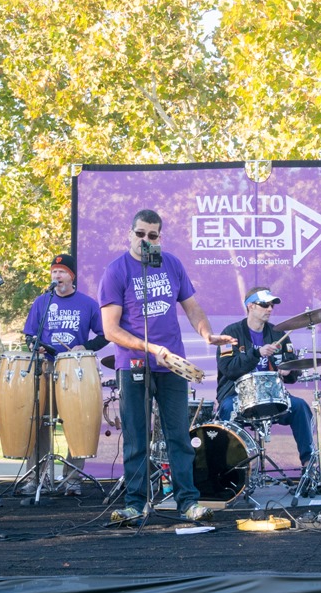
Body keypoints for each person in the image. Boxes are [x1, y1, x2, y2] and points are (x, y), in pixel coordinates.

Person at [98, 209, 236, 523]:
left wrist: (207, 334)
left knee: (178, 436)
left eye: (153, 235)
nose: (146, 241)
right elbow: (111, 329)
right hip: (134, 364)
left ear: (160, 237)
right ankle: (136, 504)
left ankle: (187, 502)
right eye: (140, 234)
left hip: (172, 364)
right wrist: (150, 348)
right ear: (129, 233)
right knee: (136, 437)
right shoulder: (116, 271)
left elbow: (192, 306)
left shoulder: (171, 263)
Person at [20, 252, 109, 495]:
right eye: (53, 272)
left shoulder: (88, 303)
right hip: (46, 367)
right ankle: (37, 478)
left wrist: (86, 346)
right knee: (41, 423)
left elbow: (105, 334)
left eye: (61, 272)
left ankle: (72, 480)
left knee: (76, 423)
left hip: (75, 368)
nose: (56, 276)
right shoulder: (42, 302)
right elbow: (30, 335)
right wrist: (33, 345)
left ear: (71, 276)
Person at [216, 287, 314, 469]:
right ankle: (228, 469)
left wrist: (288, 371)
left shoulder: (279, 333)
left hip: (273, 396)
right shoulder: (230, 333)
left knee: (300, 406)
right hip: (238, 397)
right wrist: (256, 353)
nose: (269, 309)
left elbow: (293, 368)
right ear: (250, 306)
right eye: (264, 304)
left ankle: (309, 465)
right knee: (227, 408)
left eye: (271, 305)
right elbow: (228, 369)